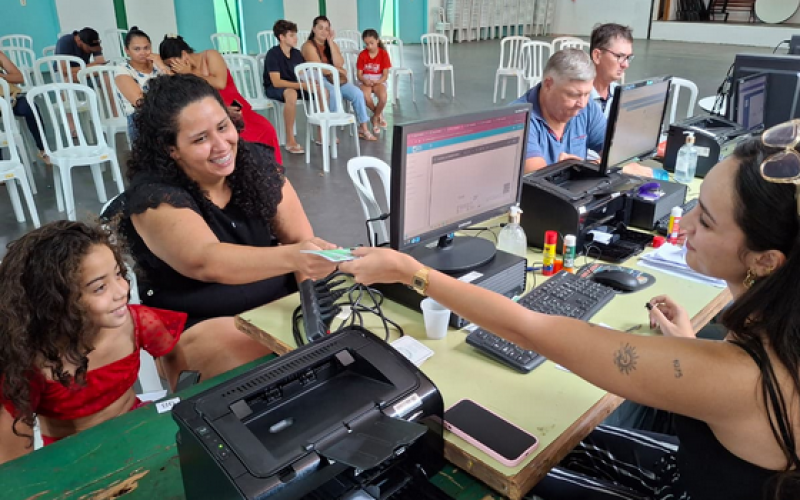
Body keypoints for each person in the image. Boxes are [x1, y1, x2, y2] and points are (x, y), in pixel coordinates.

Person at [340, 123, 800, 499]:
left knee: (513, 480)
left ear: (765, 261)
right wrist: (685, 349)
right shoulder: (779, 327)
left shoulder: (742, 376)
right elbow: (722, 387)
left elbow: (529, 328)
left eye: (708, 219)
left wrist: (410, 272)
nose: (687, 221)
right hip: (702, 475)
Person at [117, 74, 337, 379]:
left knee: (339, 338)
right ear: (171, 149)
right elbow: (208, 260)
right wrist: (298, 255)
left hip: (278, 307)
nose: (221, 145)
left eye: (223, 127)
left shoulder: (254, 165)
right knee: (268, 359)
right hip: (202, 323)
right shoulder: (155, 198)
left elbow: (302, 239)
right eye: (200, 139)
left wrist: (317, 316)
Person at [0, 221, 189, 465]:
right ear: (55, 302)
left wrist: (182, 401)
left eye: (119, 274)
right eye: (100, 287)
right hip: (73, 459)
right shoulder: (30, 361)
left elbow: (173, 355)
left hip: (139, 431)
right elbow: (12, 460)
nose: (122, 291)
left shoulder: (136, 322)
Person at [512, 49, 656, 178]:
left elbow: (618, 156)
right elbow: (540, 180)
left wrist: (584, 166)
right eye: (573, 95)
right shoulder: (518, 119)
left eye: (587, 94)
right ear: (548, 84)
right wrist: (588, 168)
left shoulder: (586, 108)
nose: (581, 103)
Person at [159, 34, 283, 164]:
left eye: (173, 64)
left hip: (236, 106)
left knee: (266, 129)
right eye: (169, 66)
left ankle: (273, 170)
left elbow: (220, 82)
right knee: (235, 141)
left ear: (184, 55)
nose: (172, 68)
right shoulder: (180, 74)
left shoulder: (210, 56)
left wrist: (189, 73)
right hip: (214, 114)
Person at [301, 16, 377, 141]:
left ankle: (364, 129)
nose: (324, 32)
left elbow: (339, 62)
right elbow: (320, 68)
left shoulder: (331, 44)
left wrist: (330, 43)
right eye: (320, 28)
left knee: (357, 93)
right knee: (333, 93)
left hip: (335, 78)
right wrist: (339, 70)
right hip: (320, 80)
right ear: (313, 29)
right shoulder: (308, 46)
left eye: (327, 29)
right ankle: (330, 131)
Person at [264, 19, 315, 155]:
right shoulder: (273, 54)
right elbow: (276, 82)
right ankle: (290, 140)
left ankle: (322, 134)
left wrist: (310, 82)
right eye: (291, 35)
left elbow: (303, 74)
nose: (295, 38)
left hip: (295, 86)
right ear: (281, 37)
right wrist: (301, 85)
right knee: (291, 93)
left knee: (323, 92)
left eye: (295, 34)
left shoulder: (297, 54)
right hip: (275, 88)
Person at [115, 27, 168, 141]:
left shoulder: (157, 64)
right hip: (140, 119)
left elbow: (179, 87)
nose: (143, 53)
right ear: (127, 50)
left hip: (164, 113)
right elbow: (140, 103)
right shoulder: (123, 70)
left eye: (146, 48)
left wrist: (162, 66)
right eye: (137, 49)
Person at [0, 50, 50, 165]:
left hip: (10, 97)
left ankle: (43, 149)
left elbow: (19, 77)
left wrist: (2, 76)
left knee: (30, 107)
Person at [589, 23, 634, 118]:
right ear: (597, 56)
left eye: (628, 57)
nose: (626, 65)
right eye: (620, 56)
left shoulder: (622, 96)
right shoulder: (576, 100)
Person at [356, 29, 391, 135]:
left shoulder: (383, 54)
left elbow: (385, 75)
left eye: (371, 43)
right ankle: (378, 115)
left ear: (377, 41)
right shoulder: (362, 55)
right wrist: (365, 80)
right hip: (365, 80)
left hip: (379, 80)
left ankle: (375, 117)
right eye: (366, 44)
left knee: (383, 97)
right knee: (365, 97)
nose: (369, 46)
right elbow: (359, 74)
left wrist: (377, 81)